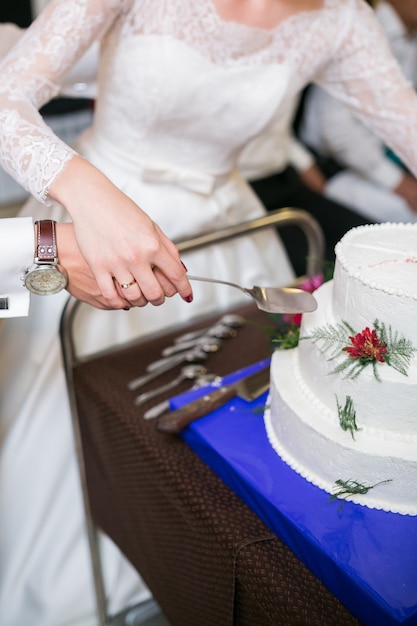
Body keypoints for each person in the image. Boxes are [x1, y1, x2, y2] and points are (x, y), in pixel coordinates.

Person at [2, 1, 417, 625]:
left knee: (221, 456)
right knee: (86, 430)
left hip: (228, 242)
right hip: (96, 232)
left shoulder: (343, 20)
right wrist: (87, 191)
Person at [299, 0, 417, 223]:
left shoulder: (409, 39)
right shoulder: (358, 32)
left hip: (387, 160)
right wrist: (396, 181)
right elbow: (337, 130)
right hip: (334, 166)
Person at [237, 95, 372, 275]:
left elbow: (277, 132)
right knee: (324, 266)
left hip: (285, 178)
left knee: (366, 238)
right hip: (242, 190)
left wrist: (305, 164)